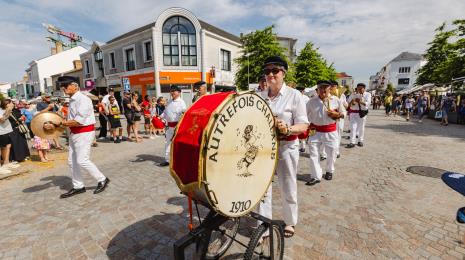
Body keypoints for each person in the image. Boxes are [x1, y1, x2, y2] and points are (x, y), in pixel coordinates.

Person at [257, 56, 309, 238]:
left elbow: (304, 125)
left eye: (275, 71)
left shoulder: (295, 95)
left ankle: (290, 222)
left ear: (283, 73)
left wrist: (287, 128)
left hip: (287, 146)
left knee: (287, 185)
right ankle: (263, 223)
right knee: (263, 187)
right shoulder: (260, 96)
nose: (270, 74)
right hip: (264, 149)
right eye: (266, 71)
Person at [57, 76, 109, 198]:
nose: (64, 89)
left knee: (82, 160)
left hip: (83, 132)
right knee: (72, 161)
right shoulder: (73, 100)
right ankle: (78, 186)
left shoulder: (83, 99)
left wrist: (59, 123)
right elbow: (71, 120)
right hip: (74, 133)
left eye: (66, 86)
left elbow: (79, 121)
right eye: (62, 87)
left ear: (75, 85)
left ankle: (102, 179)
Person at [306, 80, 346, 186]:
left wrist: (337, 114)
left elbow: (344, 113)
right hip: (315, 131)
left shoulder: (336, 100)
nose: (323, 90)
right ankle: (315, 176)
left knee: (332, 153)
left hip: (331, 130)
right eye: (321, 88)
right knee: (314, 154)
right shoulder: (311, 102)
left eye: (325, 87)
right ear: (317, 89)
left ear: (330, 88)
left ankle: (329, 171)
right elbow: (304, 116)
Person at [158, 85, 187, 167]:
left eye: (174, 91)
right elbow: (165, 112)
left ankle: (179, 160)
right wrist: (159, 117)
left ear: (179, 92)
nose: (172, 92)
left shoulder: (182, 103)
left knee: (177, 144)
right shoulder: (170, 101)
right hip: (169, 127)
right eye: (171, 91)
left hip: (177, 127)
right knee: (167, 143)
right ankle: (167, 160)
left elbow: (184, 114)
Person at [346, 83, 371, 148]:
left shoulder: (368, 94)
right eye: (358, 88)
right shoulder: (353, 94)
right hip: (353, 113)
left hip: (362, 113)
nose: (359, 90)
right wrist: (352, 101)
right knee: (353, 127)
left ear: (364, 89)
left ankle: (360, 141)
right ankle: (352, 142)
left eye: (361, 89)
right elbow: (348, 103)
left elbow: (368, 104)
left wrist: (360, 101)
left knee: (361, 127)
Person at [330, 80, 347, 158]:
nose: (332, 87)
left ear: (337, 87)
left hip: (339, 117)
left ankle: (336, 151)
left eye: (334, 86)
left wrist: (344, 104)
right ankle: (325, 152)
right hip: (329, 117)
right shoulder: (328, 95)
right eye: (331, 86)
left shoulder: (342, 94)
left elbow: (346, 105)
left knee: (338, 134)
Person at [0, 99, 17, 174]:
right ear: (7, 104)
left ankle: (6, 163)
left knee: (7, 146)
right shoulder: (1, 110)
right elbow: (2, 120)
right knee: (1, 148)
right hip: (1, 132)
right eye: (11, 103)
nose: (13, 104)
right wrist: (8, 111)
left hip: (7, 131)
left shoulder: (4, 110)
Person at [296, 86, 310, 153]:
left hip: (304, 116)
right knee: (296, 131)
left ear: (303, 91)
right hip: (296, 116)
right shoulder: (294, 97)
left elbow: (308, 109)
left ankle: (303, 147)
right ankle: (298, 146)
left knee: (303, 132)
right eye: (299, 91)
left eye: (301, 91)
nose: (300, 92)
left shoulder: (306, 98)